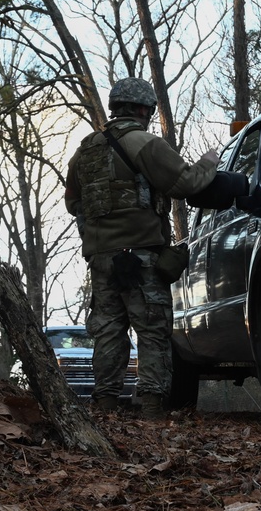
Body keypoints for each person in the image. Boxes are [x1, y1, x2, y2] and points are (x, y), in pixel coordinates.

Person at [64, 77, 218, 419]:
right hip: (142, 257)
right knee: (152, 332)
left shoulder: (85, 150)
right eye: (148, 110)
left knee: (108, 332)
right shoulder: (144, 143)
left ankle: (105, 407)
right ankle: (151, 410)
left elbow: (73, 201)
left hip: (102, 260)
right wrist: (211, 159)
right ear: (141, 109)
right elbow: (186, 183)